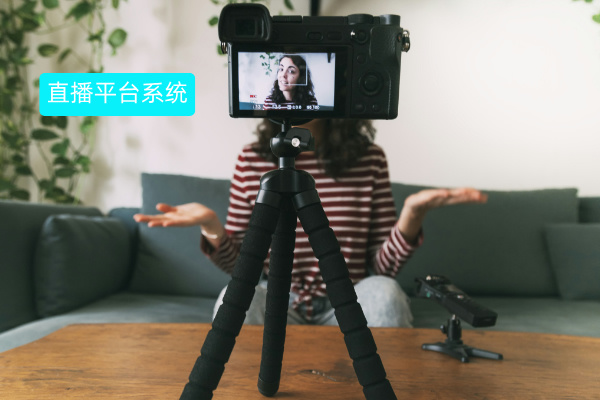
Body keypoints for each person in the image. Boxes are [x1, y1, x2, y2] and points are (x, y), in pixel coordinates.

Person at [133, 118, 487, 327]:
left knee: (385, 292)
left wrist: (412, 216)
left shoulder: (370, 159)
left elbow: (382, 269)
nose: (297, 86)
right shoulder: (252, 158)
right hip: (278, 301)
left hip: (350, 298)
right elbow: (244, 269)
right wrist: (212, 227)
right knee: (234, 296)